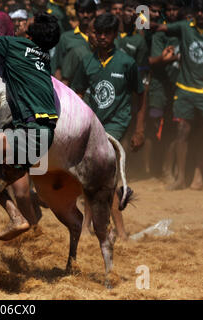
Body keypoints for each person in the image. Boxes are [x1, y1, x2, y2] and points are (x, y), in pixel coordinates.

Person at [0, 12, 60, 240]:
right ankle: (31, 215)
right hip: (43, 135)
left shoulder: (16, 45)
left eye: (28, 22)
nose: (23, 23)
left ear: (32, 32)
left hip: (30, 133)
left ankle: (17, 216)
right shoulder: (44, 56)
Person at [72, 13, 146, 240]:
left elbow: (140, 95)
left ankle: (119, 229)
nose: (102, 37)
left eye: (107, 33)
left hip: (116, 125)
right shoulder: (87, 62)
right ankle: (87, 225)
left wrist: (139, 129)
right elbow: (77, 93)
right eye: (98, 33)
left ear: (115, 35)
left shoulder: (127, 62)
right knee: (89, 176)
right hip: (92, 125)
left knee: (107, 175)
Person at [151, 0, 203, 190]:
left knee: (201, 135)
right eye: (198, 11)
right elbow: (159, 27)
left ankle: (198, 177)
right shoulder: (185, 27)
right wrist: (140, 19)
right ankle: (180, 178)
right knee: (182, 132)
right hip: (185, 90)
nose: (201, 15)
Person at [145, 0, 181, 179]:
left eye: (176, 9)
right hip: (158, 86)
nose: (173, 12)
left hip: (179, 88)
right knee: (153, 126)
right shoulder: (160, 33)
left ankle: (168, 169)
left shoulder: (184, 31)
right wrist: (170, 59)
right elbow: (153, 59)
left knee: (173, 129)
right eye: (170, 9)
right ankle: (151, 168)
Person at [53, 0, 96, 80]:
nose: (85, 15)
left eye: (89, 11)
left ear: (95, 12)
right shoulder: (66, 38)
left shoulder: (102, 38)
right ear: (76, 13)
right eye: (81, 12)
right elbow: (57, 68)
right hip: (70, 88)